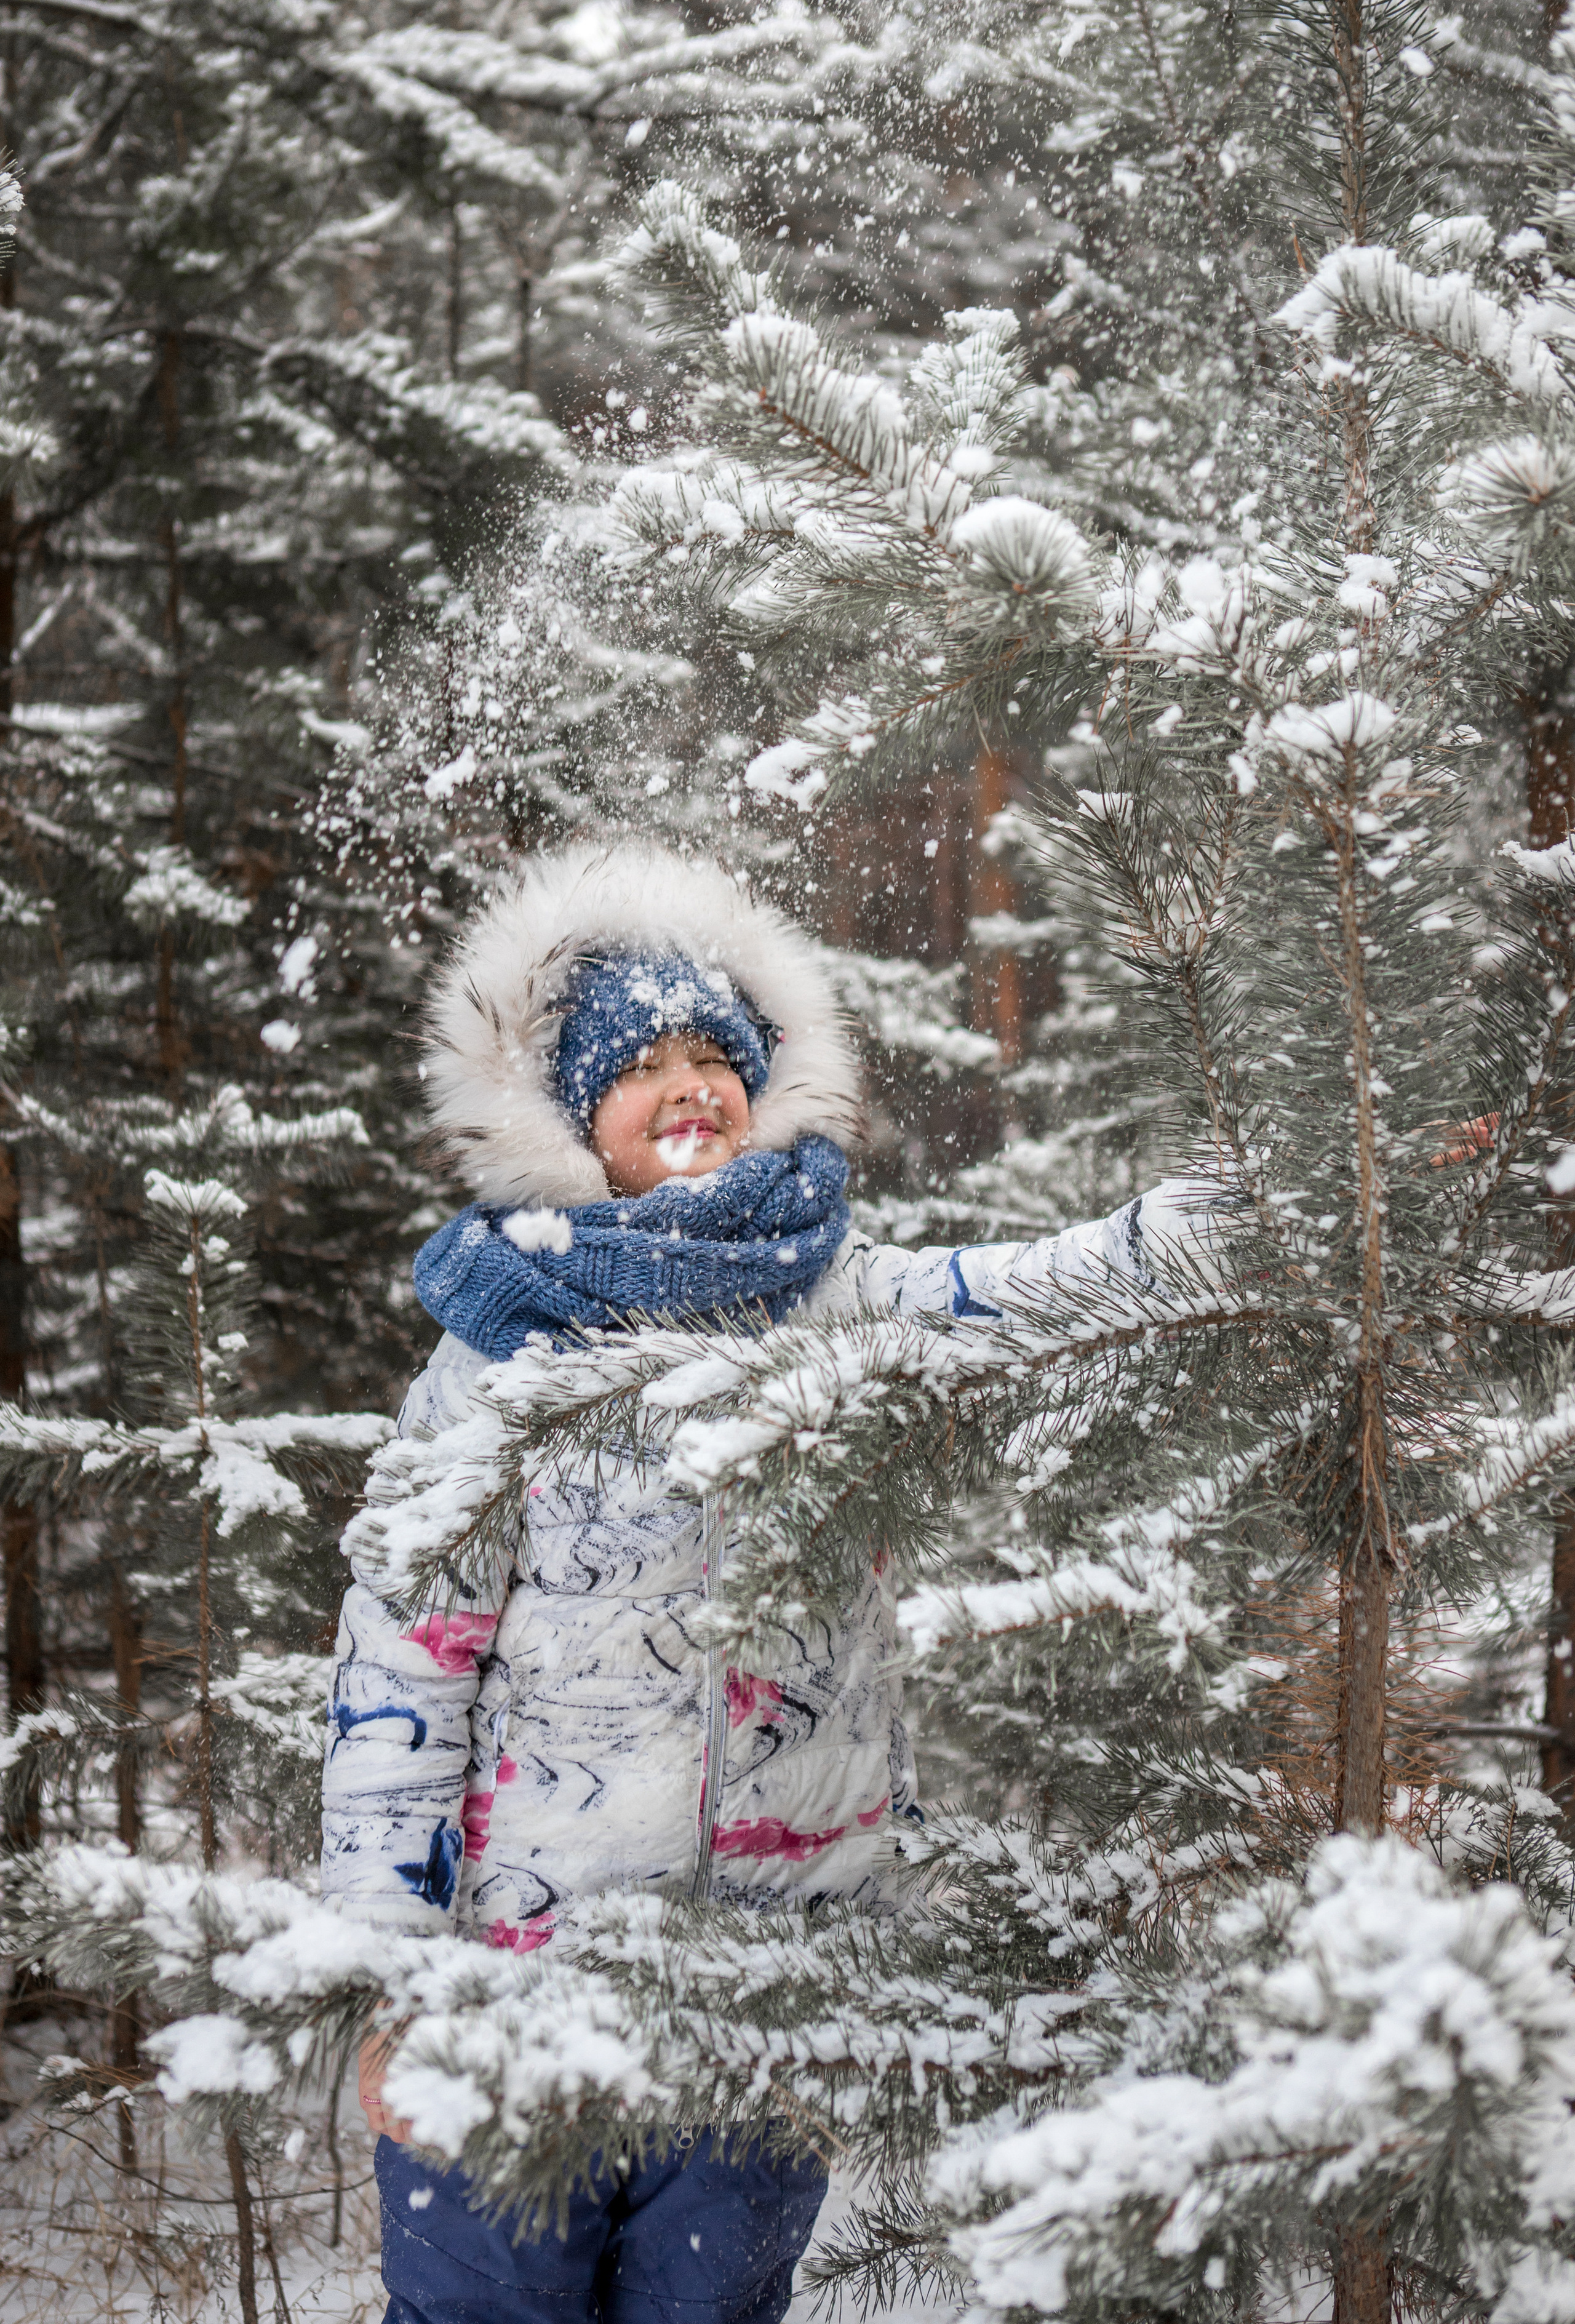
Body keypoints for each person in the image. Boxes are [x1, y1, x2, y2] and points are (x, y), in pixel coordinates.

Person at [321, 841, 1222, 2324]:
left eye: (713, 1058)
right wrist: (395, 1976)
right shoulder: (496, 1350)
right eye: (638, 1067)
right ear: (570, 1120)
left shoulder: (834, 1301)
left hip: (765, 1993)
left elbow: (1035, 1290)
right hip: (513, 1994)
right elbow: (399, 1674)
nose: (688, 1087)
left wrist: (1262, 1206)